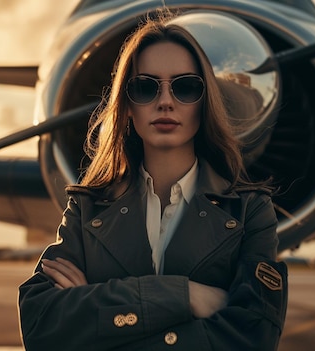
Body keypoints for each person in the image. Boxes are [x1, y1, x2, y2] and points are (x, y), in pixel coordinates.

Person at [18, 11, 287, 351]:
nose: (164, 101)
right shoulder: (86, 208)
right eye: (145, 87)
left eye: (185, 87)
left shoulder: (251, 212)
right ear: (127, 105)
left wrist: (94, 311)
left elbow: (255, 337)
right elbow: (41, 325)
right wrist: (183, 295)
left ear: (205, 102)